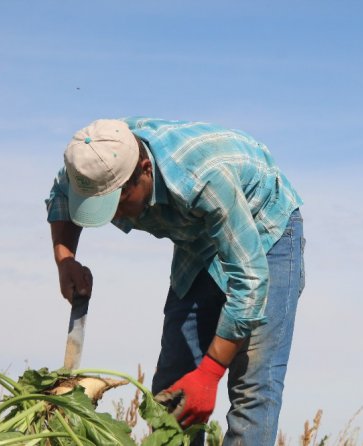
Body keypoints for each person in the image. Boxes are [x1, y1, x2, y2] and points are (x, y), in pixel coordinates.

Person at [45, 117, 305, 445]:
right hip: (195, 237)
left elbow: (250, 280)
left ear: (144, 170)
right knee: (174, 385)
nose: (112, 216)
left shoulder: (202, 177)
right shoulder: (86, 162)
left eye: (116, 202)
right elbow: (60, 198)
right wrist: (65, 259)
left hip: (265, 227)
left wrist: (210, 373)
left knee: (253, 387)